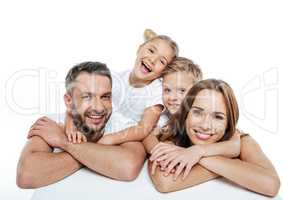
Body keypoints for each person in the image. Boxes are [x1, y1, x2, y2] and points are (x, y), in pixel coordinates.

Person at [16, 62, 146, 188]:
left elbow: (128, 166)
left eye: (105, 97)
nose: (99, 108)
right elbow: (27, 175)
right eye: (87, 97)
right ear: (69, 101)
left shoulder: (123, 124)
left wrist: (65, 143)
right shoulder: (52, 124)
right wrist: (98, 154)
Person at [148, 79, 281, 197]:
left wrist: (198, 152)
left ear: (229, 123)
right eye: (197, 112)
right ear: (186, 114)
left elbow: (271, 185)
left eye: (218, 117)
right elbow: (165, 182)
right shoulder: (175, 133)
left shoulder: (242, 141)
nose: (205, 125)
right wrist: (228, 159)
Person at [66, 29, 179, 145]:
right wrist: (71, 128)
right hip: (119, 126)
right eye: (151, 51)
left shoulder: (156, 92)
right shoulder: (118, 78)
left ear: (164, 72)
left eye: (161, 61)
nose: (152, 60)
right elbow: (77, 105)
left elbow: (143, 129)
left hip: (144, 132)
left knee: (143, 144)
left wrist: (110, 139)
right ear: (139, 49)